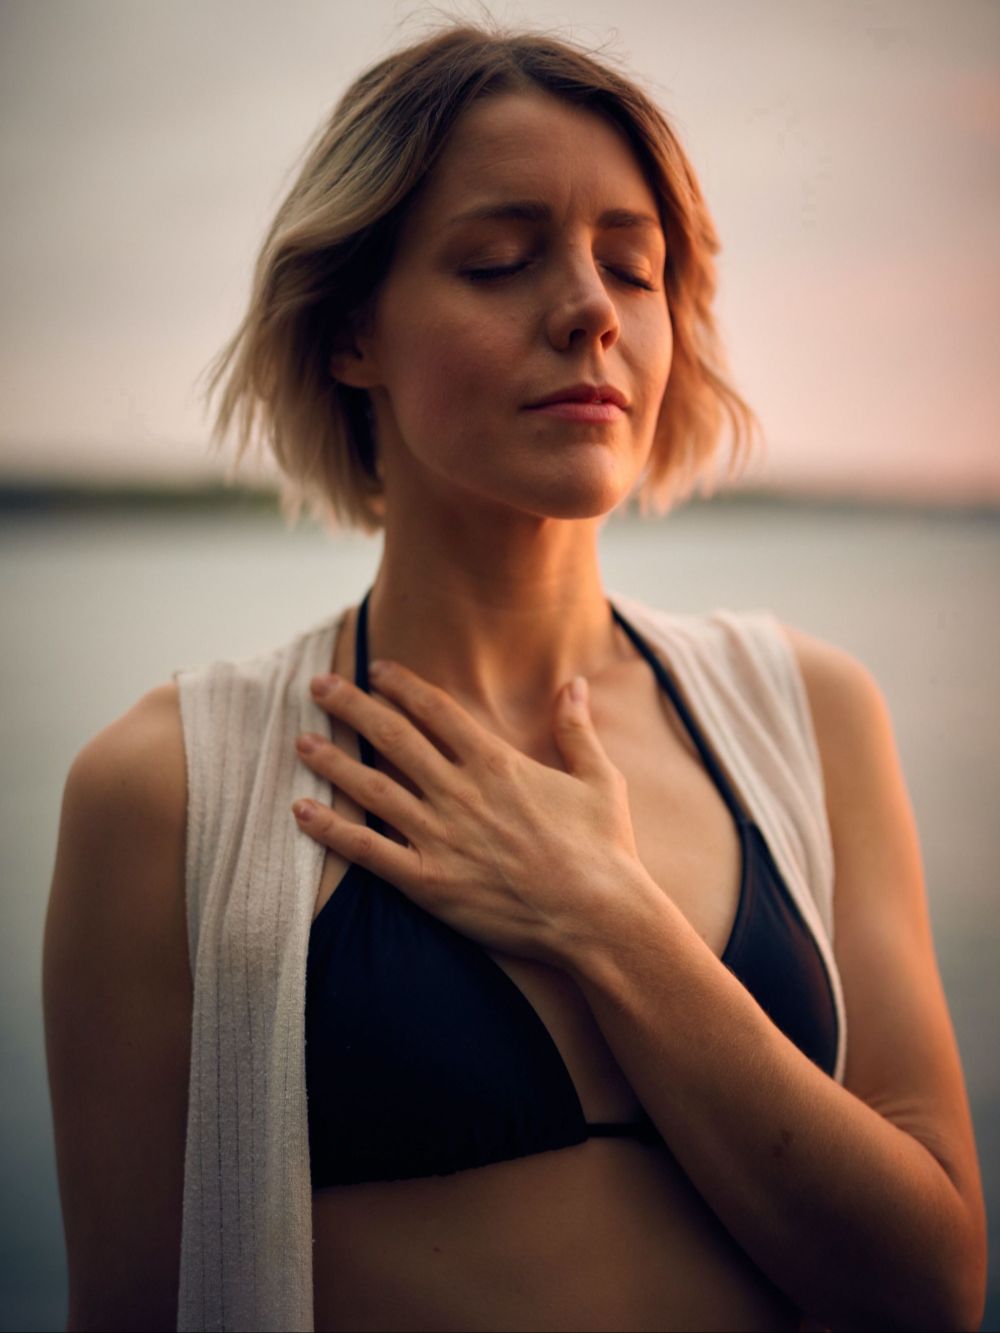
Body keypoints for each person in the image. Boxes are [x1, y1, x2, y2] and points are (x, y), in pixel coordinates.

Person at [43, 19, 986, 1333]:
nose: (591, 309)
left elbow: (935, 1284)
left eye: (633, 267)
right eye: (500, 259)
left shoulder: (811, 718)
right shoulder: (167, 793)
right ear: (351, 330)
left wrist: (608, 915)